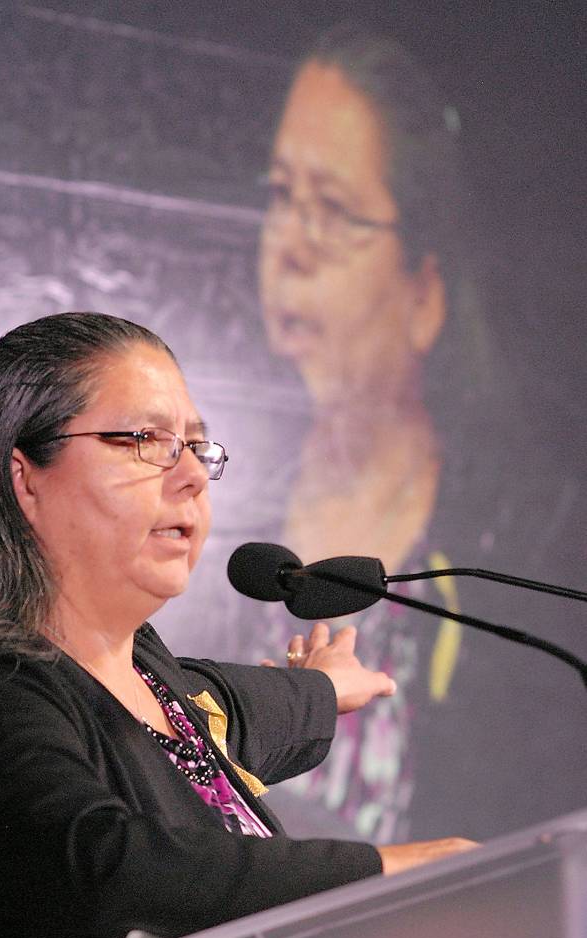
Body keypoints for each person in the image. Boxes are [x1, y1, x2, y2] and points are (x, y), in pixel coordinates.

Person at [0, 312, 473, 938]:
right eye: (146, 440)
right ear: (25, 478)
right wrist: (383, 872)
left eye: (197, 448)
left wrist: (322, 687)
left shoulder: (156, 680)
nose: (193, 478)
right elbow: (105, 873)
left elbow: (239, 707)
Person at [255, 26, 501, 843]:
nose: (290, 247)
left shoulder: (502, 559)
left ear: (424, 293)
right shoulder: (210, 521)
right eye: (281, 196)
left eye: (332, 210)